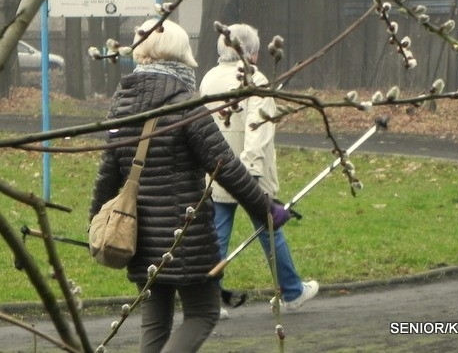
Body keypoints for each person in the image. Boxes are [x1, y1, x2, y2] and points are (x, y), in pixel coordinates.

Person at [90, 19, 287, 353]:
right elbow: (225, 166)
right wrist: (265, 208)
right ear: (181, 54)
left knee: (155, 321)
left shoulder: (121, 104)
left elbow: (108, 173)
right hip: (185, 238)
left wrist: (95, 223)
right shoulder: (185, 104)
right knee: (203, 312)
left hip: (138, 234)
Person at [199, 24, 319, 311]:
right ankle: (292, 292)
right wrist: (249, 171)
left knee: (216, 237)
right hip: (248, 174)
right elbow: (258, 127)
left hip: (217, 171)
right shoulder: (256, 80)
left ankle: (209, 303)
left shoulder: (209, 79)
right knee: (269, 231)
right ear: (250, 53)